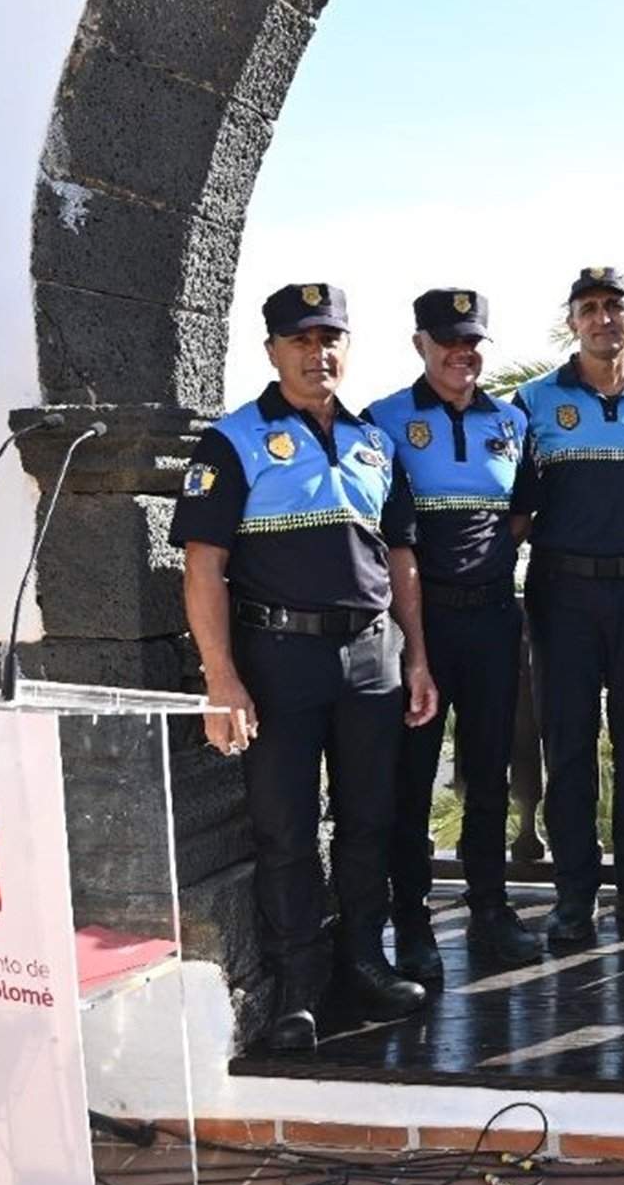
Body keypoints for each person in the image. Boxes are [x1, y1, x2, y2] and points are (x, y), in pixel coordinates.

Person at [171, 282, 439, 1052]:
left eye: (330, 339)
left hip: (371, 657)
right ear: (272, 351)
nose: (317, 354)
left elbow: (400, 560)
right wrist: (221, 677)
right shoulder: (234, 440)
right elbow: (203, 567)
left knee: (368, 818)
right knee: (285, 825)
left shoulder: (374, 443)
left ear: (346, 348)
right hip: (279, 658)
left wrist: (416, 656)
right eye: (300, 340)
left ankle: (363, 960)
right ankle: (297, 984)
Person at [361, 288, 543, 981]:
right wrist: (417, 637)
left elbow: (521, 514)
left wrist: (483, 570)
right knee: (412, 780)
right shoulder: (383, 420)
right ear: (420, 344)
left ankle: (490, 907)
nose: (461, 353)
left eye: (472, 342)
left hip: (493, 620)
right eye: (447, 341)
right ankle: (411, 920)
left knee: (490, 773)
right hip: (420, 625)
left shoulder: (512, 421)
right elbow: (383, 531)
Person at [512, 268, 624, 946]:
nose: (602, 318)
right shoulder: (532, 403)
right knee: (569, 748)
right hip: (562, 595)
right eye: (588, 308)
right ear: (572, 322)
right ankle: (574, 895)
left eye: (614, 306)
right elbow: (511, 506)